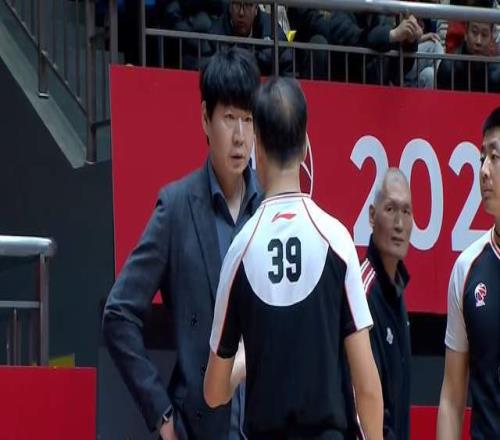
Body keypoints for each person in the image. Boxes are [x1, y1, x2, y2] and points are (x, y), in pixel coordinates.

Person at [203, 77, 383, 440]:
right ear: (305, 147)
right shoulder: (336, 240)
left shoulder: (240, 250)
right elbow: (367, 388)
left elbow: (214, 393)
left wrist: (244, 361)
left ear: (257, 147)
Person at [102, 47, 262, 440]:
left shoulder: (271, 209)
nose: (240, 136)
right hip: (198, 428)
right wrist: (161, 414)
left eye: (248, 119)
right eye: (229, 118)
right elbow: (118, 314)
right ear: (206, 118)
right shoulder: (177, 207)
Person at [436, 107, 500, 440]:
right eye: (481, 158)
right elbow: (451, 398)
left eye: (495, 157)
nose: (484, 170)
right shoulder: (467, 269)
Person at [359, 169, 413, 440]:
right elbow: (361, 404)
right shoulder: (362, 293)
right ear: (372, 215)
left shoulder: (397, 292)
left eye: (406, 212)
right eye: (390, 209)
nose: (399, 224)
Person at [208, 2, 293, 76]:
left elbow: (286, 63)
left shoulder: (271, 27)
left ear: (256, 9)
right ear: (230, 7)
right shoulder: (216, 32)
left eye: (248, 5)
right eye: (237, 4)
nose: (241, 13)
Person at [437, 19, 500, 92]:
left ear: (491, 39)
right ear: (466, 34)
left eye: (484, 35)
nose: (478, 41)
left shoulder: (497, 74)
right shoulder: (448, 68)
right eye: (474, 32)